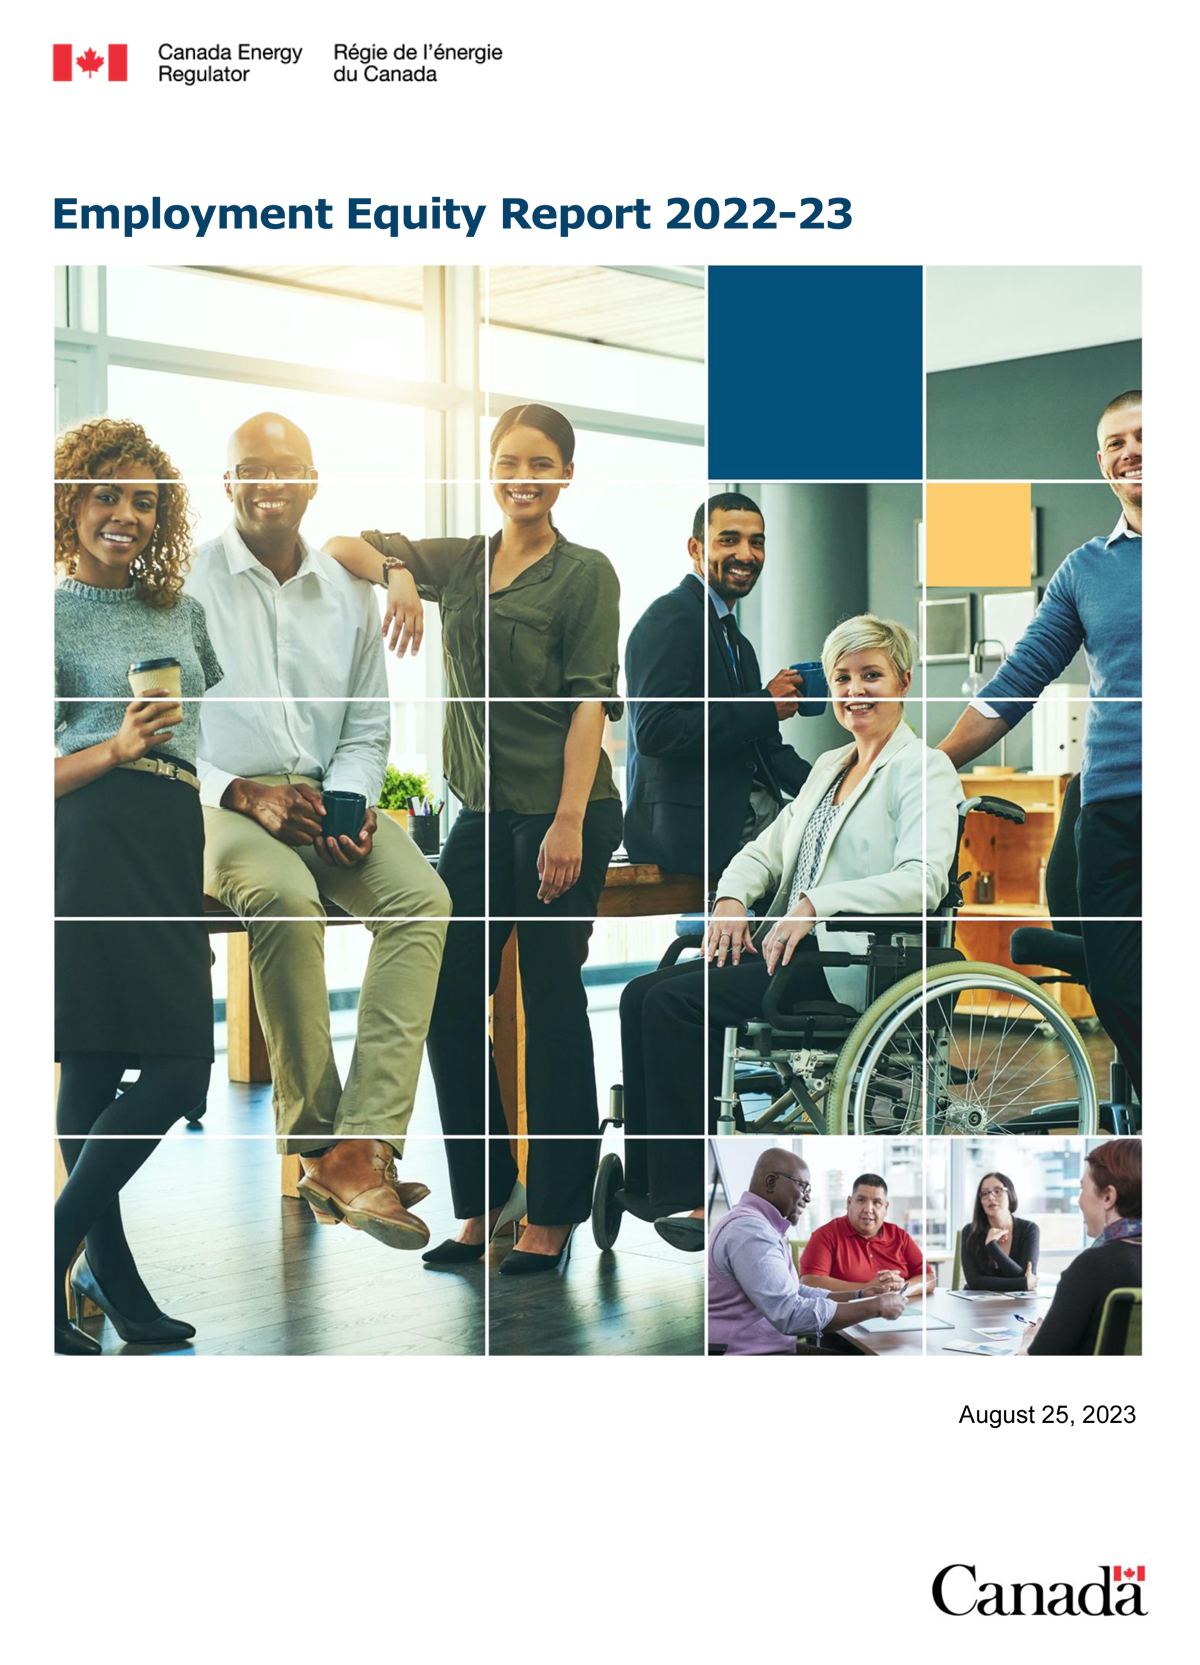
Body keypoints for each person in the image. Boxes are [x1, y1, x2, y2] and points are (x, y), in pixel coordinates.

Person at [325, 404, 623, 1273]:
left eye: (540, 463)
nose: (521, 476)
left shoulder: (585, 574)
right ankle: (485, 1197)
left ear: (564, 475)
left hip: (562, 807)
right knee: (449, 995)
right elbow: (344, 542)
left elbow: (588, 703)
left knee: (552, 996)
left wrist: (568, 820)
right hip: (482, 813)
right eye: (506, 460)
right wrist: (401, 576)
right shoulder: (465, 560)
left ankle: (557, 1210)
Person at [186, 411, 451, 1251]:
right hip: (218, 798)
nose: (270, 480)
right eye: (251, 468)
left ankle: (359, 1143)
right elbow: (168, 729)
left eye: (287, 466)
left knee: (422, 897)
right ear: (227, 483)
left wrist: (348, 801)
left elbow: (368, 724)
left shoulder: (348, 590)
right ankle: (316, 1142)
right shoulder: (186, 585)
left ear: (311, 481)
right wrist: (244, 793)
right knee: (281, 897)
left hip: (321, 794)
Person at [619, 612, 961, 1137]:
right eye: (842, 678)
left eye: (871, 675)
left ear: (903, 683)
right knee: (639, 995)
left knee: (674, 1004)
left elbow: (923, 880)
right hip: (791, 952)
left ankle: (694, 1182)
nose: (855, 690)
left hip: (849, 962)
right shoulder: (830, 766)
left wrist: (816, 903)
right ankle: (653, 1182)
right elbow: (765, 851)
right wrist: (731, 899)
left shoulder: (924, 768)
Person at [54, 418, 222, 1353]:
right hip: (89, 832)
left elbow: (198, 735)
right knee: (153, 1062)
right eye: (106, 494)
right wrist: (113, 745)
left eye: (143, 500)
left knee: (119, 1066)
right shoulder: (45, 612)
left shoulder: (182, 613)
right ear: (71, 500)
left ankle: (98, 1277)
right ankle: (59, 1257)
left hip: (169, 830)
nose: (124, 514)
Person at [938, 391, 1142, 1098]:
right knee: (1117, 978)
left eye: (1146, 435)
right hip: (1114, 809)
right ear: (1102, 464)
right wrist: (930, 766)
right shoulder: (1086, 569)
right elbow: (1017, 681)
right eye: (1116, 442)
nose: (1131, 451)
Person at [623, 492, 810, 876]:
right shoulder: (670, 616)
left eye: (756, 542)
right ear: (695, 548)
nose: (746, 554)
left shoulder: (736, 640)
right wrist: (763, 705)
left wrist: (840, 784)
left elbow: (763, 748)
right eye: (729, 540)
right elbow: (656, 730)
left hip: (740, 822)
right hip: (691, 835)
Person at [708, 1149, 908, 1355]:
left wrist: (859, 1295)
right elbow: (790, 1313)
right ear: (770, 1182)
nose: (808, 1197)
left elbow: (794, 1291)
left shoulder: (761, 1226)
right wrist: (876, 1306)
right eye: (803, 1186)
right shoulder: (750, 1231)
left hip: (771, 1349)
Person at [1022, 1140, 1141, 1356]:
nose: (1079, 1200)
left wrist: (1028, 1343)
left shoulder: (1093, 1266)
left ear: (1108, 1197)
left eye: (1082, 1188)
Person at [799, 1173, 935, 1298]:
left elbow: (928, 1278)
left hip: (899, 1314)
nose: (868, 1209)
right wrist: (865, 1289)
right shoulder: (825, 1235)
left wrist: (899, 1289)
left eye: (877, 1202)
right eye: (861, 1200)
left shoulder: (900, 1236)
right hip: (847, 1318)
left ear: (886, 1208)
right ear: (849, 1203)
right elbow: (809, 1282)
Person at [960, 1171, 1040, 1293]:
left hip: (1018, 1306)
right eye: (985, 1193)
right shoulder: (970, 1231)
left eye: (997, 1191)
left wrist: (992, 1246)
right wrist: (1023, 1283)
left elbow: (1024, 1275)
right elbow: (974, 1282)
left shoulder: (1029, 1229)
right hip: (978, 1307)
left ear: (1010, 1194)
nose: (991, 1197)